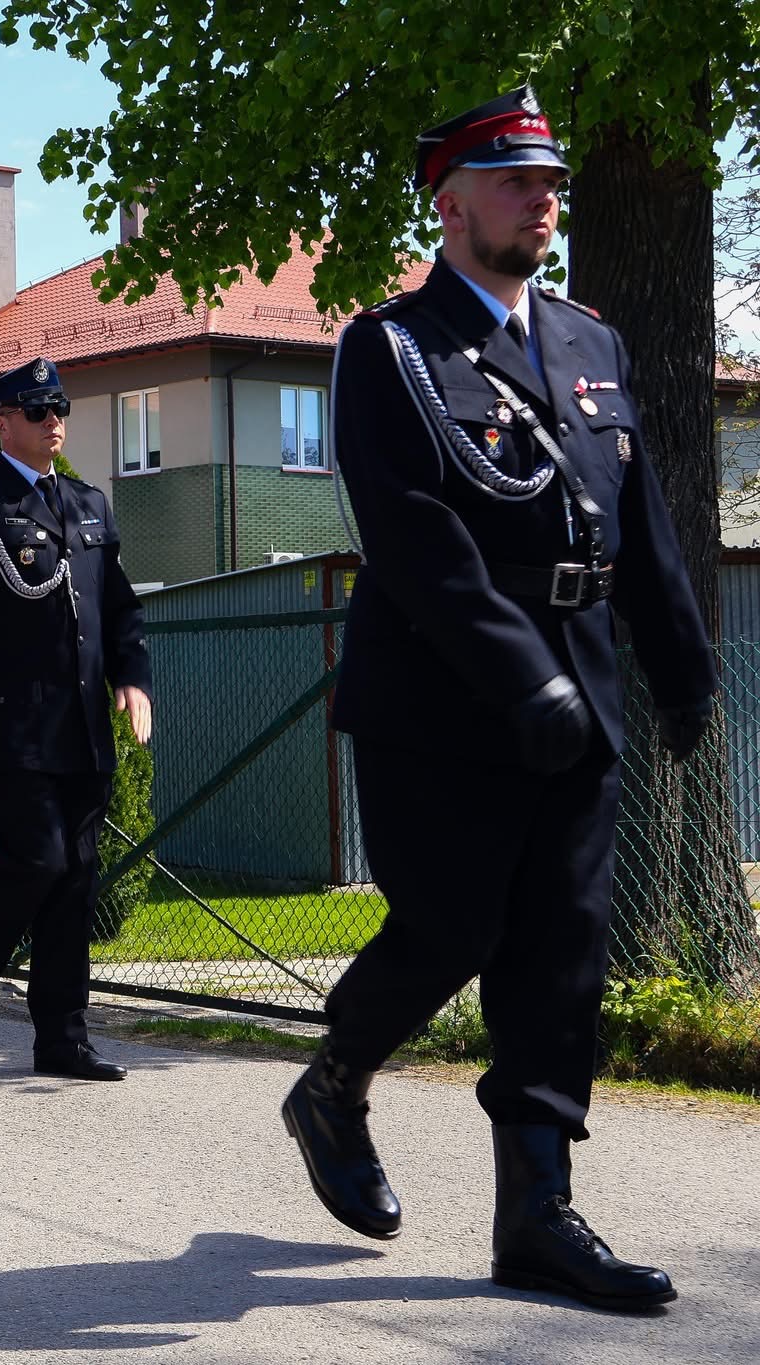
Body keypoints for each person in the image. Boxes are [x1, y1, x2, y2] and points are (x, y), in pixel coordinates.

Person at [279, 86, 717, 1313]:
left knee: (558, 952)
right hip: (440, 691)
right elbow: (413, 539)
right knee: (449, 928)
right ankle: (332, 1083)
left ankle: (534, 1215)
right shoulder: (390, 348)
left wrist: (680, 670)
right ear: (450, 199)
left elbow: (638, 527)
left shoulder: (590, 343)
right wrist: (515, 674)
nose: (542, 198)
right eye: (516, 180)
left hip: (577, 677)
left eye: (548, 180)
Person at [0, 356, 153, 1082]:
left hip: (82, 728)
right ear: (3, 420)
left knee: (75, 876)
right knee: (38, 858)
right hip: (12, 727)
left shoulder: (89, 504)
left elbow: (121, 609)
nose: (55, 422)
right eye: (38, 410)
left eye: (61, 408)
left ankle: (62, 1037)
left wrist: (131, 679)